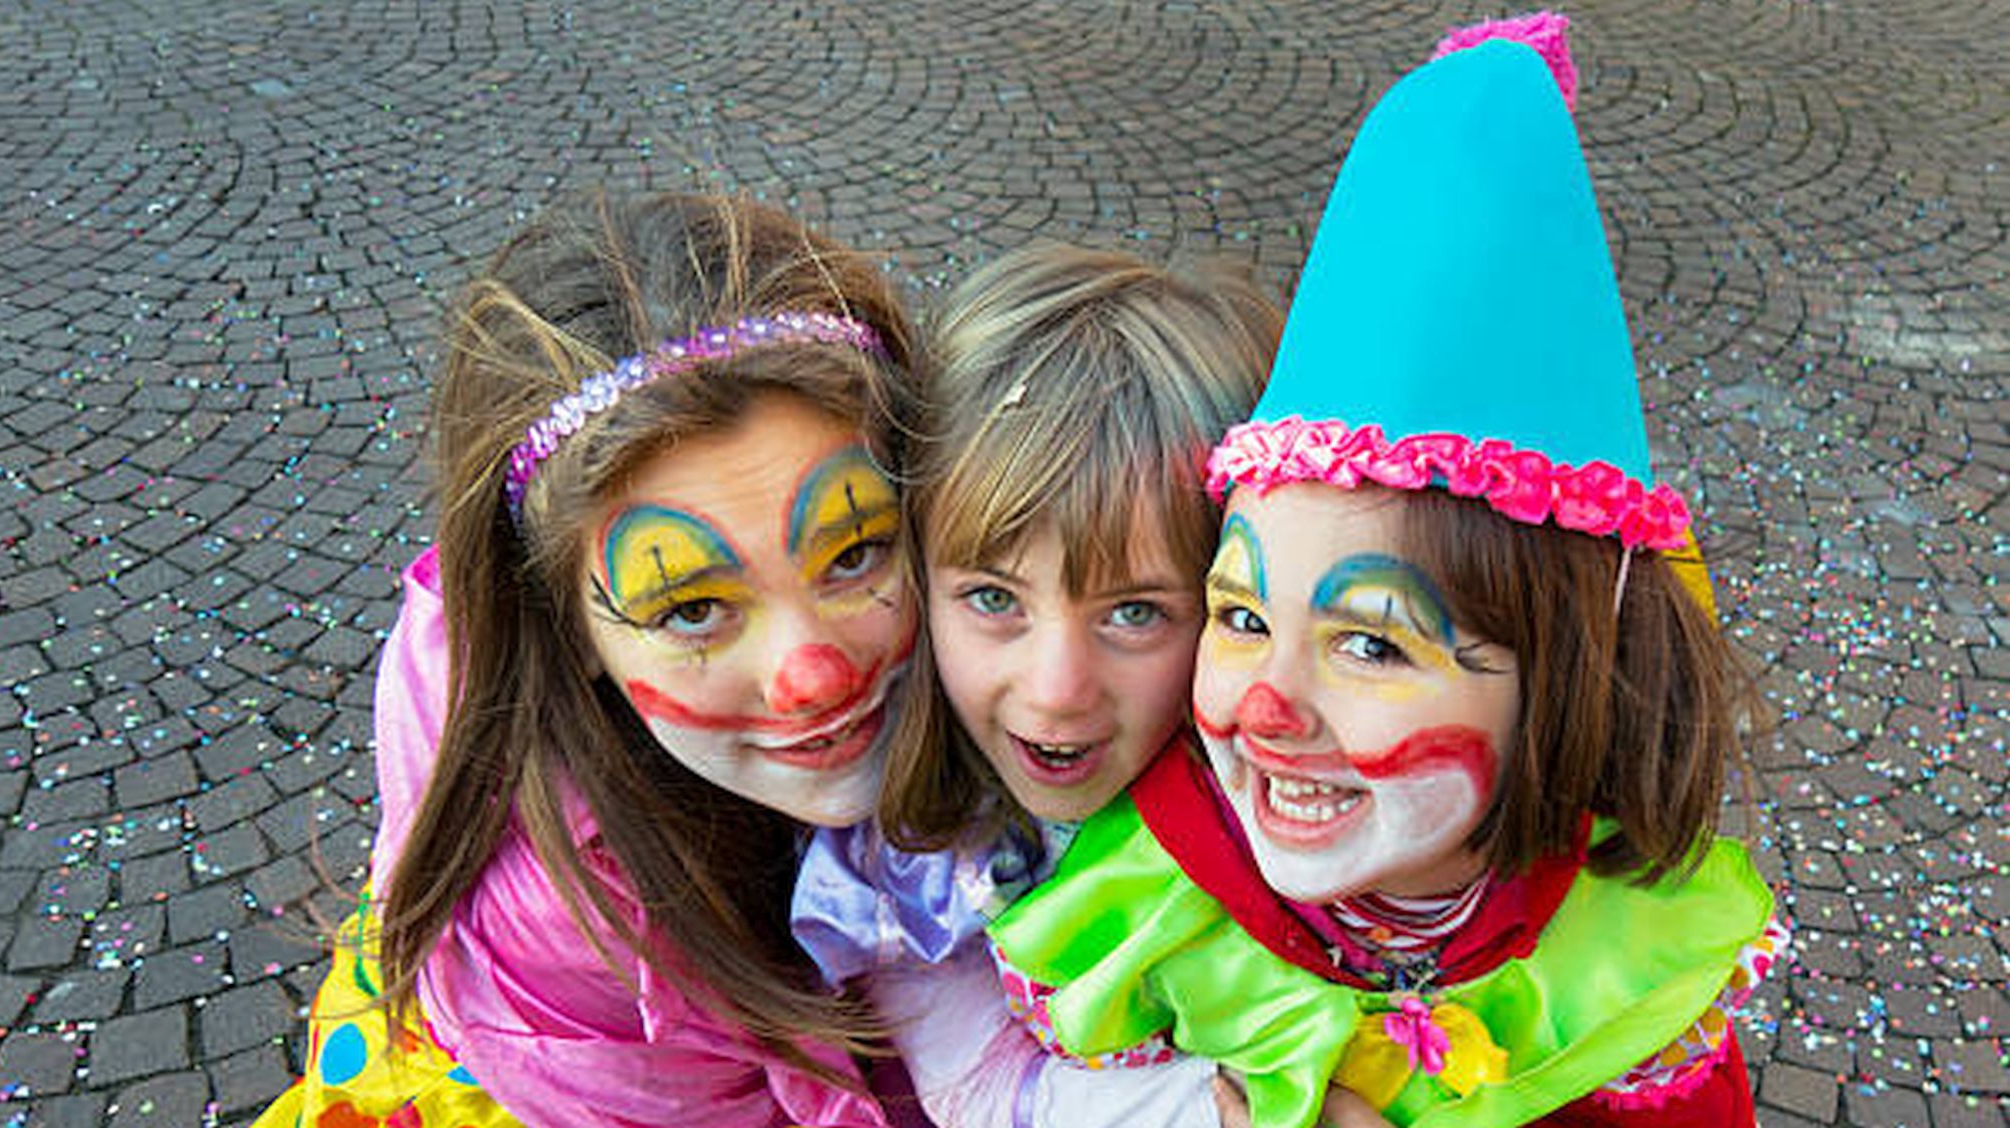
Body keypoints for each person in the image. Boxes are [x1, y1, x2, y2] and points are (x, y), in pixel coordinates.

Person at [983, 15, 1788, 1128]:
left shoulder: (1630, 961)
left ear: (1563, 675)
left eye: (1368, 640)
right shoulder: (1138, 899)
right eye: (1241, 615)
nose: (1260, 707)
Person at [256, 190, 925, 1128]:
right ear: (565, 633)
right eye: (691, 608)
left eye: (854, 552)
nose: (814, 675)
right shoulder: (570, 937)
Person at [791, 243, 1283, 1127]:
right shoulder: (912, 851)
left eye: (1135, 613)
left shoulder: (1298, 776)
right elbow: (978, 1091)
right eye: (992, 598)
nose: (1057, 690)